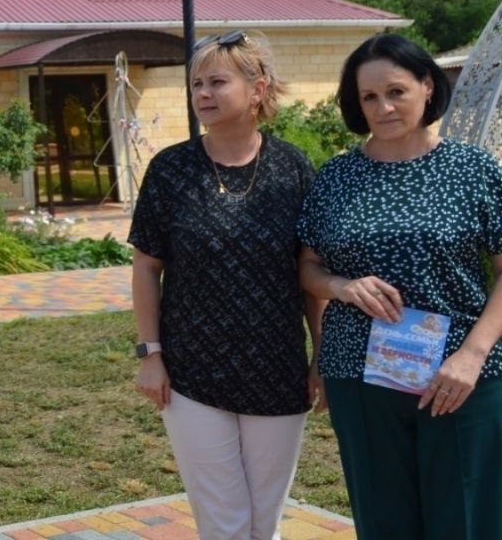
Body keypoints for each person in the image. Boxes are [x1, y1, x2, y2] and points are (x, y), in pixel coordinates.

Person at [298, 33, 502, 539]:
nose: (383, 107)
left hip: (460, 378)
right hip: (360, 375)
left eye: (396, 91)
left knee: (466, 517)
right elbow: (307, 268)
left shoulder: (472, 170)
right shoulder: (336, 177)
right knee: (383, 517)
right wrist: (343, 287)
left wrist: (472, 355)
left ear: (427, 87)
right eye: (369, 97)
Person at [130, 31, 318, 540]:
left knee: (265, 521)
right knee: (224, 523)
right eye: (196, 84)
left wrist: (319, 356)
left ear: (257, 89)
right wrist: (151, 353)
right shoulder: (171, 169)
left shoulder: (293, 168)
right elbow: (146, 267)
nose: (203, 94)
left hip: (277, 367)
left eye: (217, 82)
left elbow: (310, 273)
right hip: (191, 371)